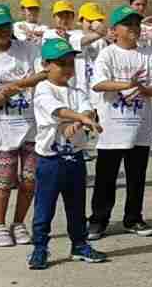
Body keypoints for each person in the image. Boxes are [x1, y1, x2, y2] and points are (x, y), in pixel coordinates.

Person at [28, 38, 105, 269]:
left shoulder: (76, 90)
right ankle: (40, 248)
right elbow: (58, 111)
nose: (67, 68)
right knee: (44, 207)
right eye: (61, 63)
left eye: (71, 63)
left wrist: (84, 120)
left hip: (75, 159)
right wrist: (80, 119)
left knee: (76, 206)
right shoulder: (42, 89)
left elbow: (87, 109)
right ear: (46, 65)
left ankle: (79, 245)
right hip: (50, 161)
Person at [87, 4, 152, 240]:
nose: (134, 29)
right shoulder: (107, 54)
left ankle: (133, 218)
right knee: (106, 178)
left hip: (139, 125)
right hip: (112, 127)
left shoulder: (149, 53)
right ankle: (98, 220)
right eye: (127, 25)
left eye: (136, 24)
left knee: (136, 177)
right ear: (114, 30)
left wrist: (142, 88)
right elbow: (98, 84)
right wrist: (127, 85)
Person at [0, 4, 44, 247]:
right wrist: (4, 94)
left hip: (32, 129)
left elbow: (44, 74)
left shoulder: (27, 48)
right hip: (5, 132)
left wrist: (15, 86)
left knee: (29, 181)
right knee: (4, 182)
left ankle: (18, 223)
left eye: (6, 25)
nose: (4, 30)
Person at [71, 3, 107, 114]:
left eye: (97, 21)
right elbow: (81, 42)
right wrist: (100, 33)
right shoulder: (73, 35)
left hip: (97, 94)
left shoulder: (102, 42)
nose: (94, 25)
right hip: (79, 94)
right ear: (80, 21)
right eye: (90, 21)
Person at [13, 0, 46, 64]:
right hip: (22, 63)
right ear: (23, 10)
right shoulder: (16, 25)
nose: (33, 12)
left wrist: (27, 31)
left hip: (38, 64)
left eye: (36, 9)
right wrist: (35, 34)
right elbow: (22, 41)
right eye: (30, 9)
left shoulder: (44, 28)